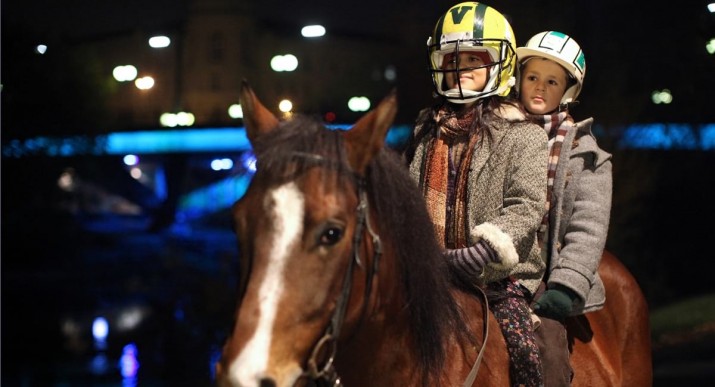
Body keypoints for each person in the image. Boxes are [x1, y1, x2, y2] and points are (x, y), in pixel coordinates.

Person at [404, 2, 548, 386]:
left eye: (473, 59)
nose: (460, 69)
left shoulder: (524, 135)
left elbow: (526, 205)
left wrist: (483, 251)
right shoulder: (425, 131)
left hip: (498, 278)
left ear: (500, 64)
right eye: (452, 60)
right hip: (430, 273)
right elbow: (408, 200)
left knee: (525, 353)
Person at [515, 31, 613, 385]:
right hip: (489, 263)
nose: (539, 88)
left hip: (543, 272)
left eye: (552, 81)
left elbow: (588, 226)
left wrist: (566, 285)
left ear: (568, 91)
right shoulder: (496, 131)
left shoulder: (586, 155)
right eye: (532, 77)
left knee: (550, 351)